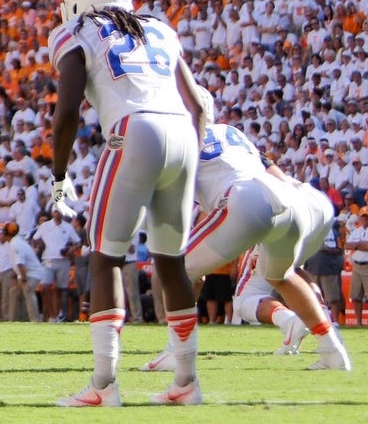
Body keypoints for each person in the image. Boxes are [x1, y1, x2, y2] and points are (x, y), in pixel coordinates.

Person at [47, 0, 216, 407]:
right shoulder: (160, 29)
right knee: (170, 261)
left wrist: (59, 176)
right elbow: (199, 105)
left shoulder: (76, 31)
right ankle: (186, 381)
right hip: (182, 133)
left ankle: (103, 386)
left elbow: (67, 112)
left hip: (132, 130)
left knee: (106, 258)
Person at [140, 124, 350, 371]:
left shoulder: (180, 138)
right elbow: (270, 169)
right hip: (289, 198)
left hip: (243, 197)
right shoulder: (230, 132)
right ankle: (332, 350)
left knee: (177, 269)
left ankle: (178, 350)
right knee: (281, 275)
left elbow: (177, 199)